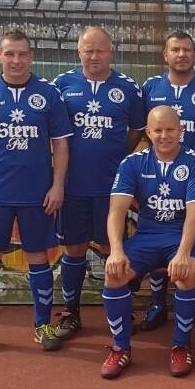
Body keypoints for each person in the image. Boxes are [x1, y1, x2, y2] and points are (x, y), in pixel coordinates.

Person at [0, 29, 72, 356]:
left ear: (31, 57)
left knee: (38, 258)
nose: (16, 60)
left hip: (37, 195)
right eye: (10, 54)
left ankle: (42, 325)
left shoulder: (48, 94)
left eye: (22, 54)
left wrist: (57, 185)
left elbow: (61, 145)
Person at [99, 106, 195, 379]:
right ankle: (120, 348)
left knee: (186, 274)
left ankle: (181, 346)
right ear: (148, 132)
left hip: (181, 237)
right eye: (157, 130)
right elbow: (116, 211)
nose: (164, 136)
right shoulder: (132, 163)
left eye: (170, 129)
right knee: (114, 274)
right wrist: (115, 251)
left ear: (180, 130)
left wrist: (184, 254)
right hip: (147, 238)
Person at [50, 26, 146, 340]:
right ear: (79, 51)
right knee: (74, 249)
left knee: (111, 248)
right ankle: (71, 311)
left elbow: (136, 131)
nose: (94, 56)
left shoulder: (128, 88)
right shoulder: (62, 86)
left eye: (100, 50)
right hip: (73, 186)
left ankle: (119, 309)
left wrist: (117, 157)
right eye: (88, 50)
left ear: (110, 52)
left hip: (111, 189)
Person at [140, 31, 195, 331]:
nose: (181, 55)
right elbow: (144, 131)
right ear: (165, 55)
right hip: (160, 178)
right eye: (175, 50)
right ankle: (156, 303)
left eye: (187, 50)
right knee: (157, 233)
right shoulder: (150, 88)